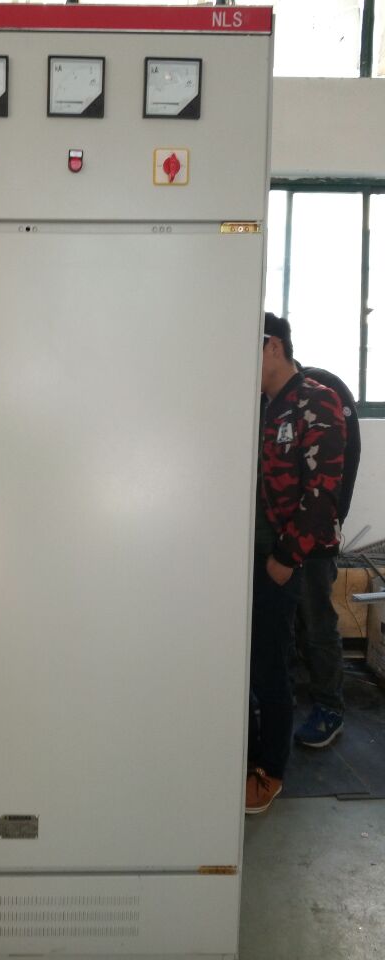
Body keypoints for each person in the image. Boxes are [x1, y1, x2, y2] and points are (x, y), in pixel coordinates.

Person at [247, 313, 345, 814]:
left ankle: (270, 770)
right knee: (258, 659)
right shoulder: (261, 406)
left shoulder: (315, 400)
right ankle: (247, 754)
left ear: (274, 347)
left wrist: (286, 558)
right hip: (257, 555)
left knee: (277, 660)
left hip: (292, 556)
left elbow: (323, 491)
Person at [293, 363, 360, 749]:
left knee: (317, 622)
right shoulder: (267, 397)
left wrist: (331, 524)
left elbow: (345, 466)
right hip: (277, 535)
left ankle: (329, 708)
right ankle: (281, 701)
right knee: (283, 624)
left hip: (316, 537)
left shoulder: (325, 390)